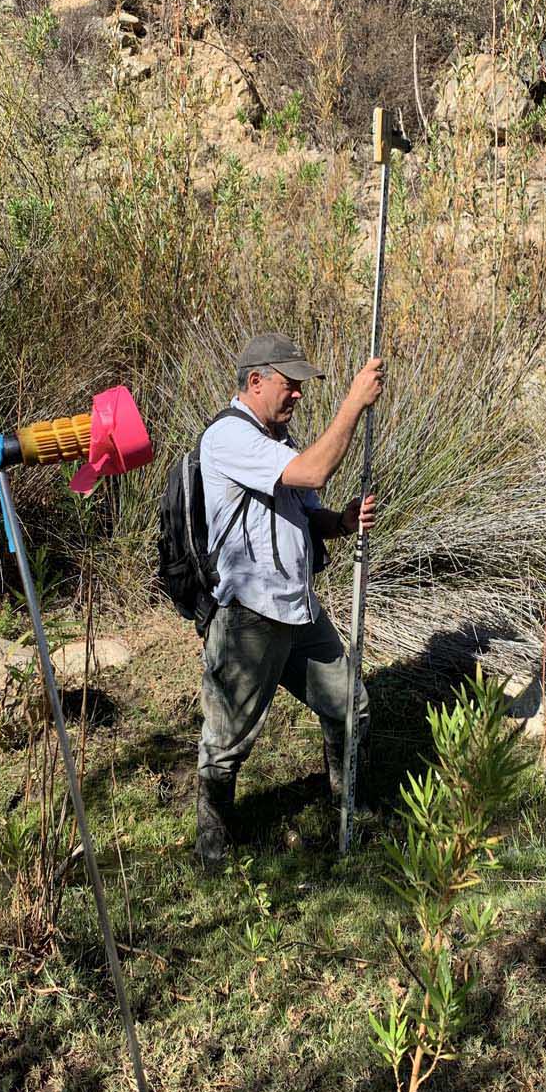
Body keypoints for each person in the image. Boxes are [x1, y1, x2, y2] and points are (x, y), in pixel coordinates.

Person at [195, 330, 384, 866]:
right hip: (248, 619)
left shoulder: (277, 443)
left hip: (297, 609)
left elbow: (303, 512)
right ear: (256, 382)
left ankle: (347, 810)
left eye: (301, 386)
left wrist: (341, 522)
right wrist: (353, 403)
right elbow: (314, 470)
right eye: (290, 384)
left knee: (351, 706)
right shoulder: (229, 439)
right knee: (228, 738)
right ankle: (214, 844)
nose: (298, 394)